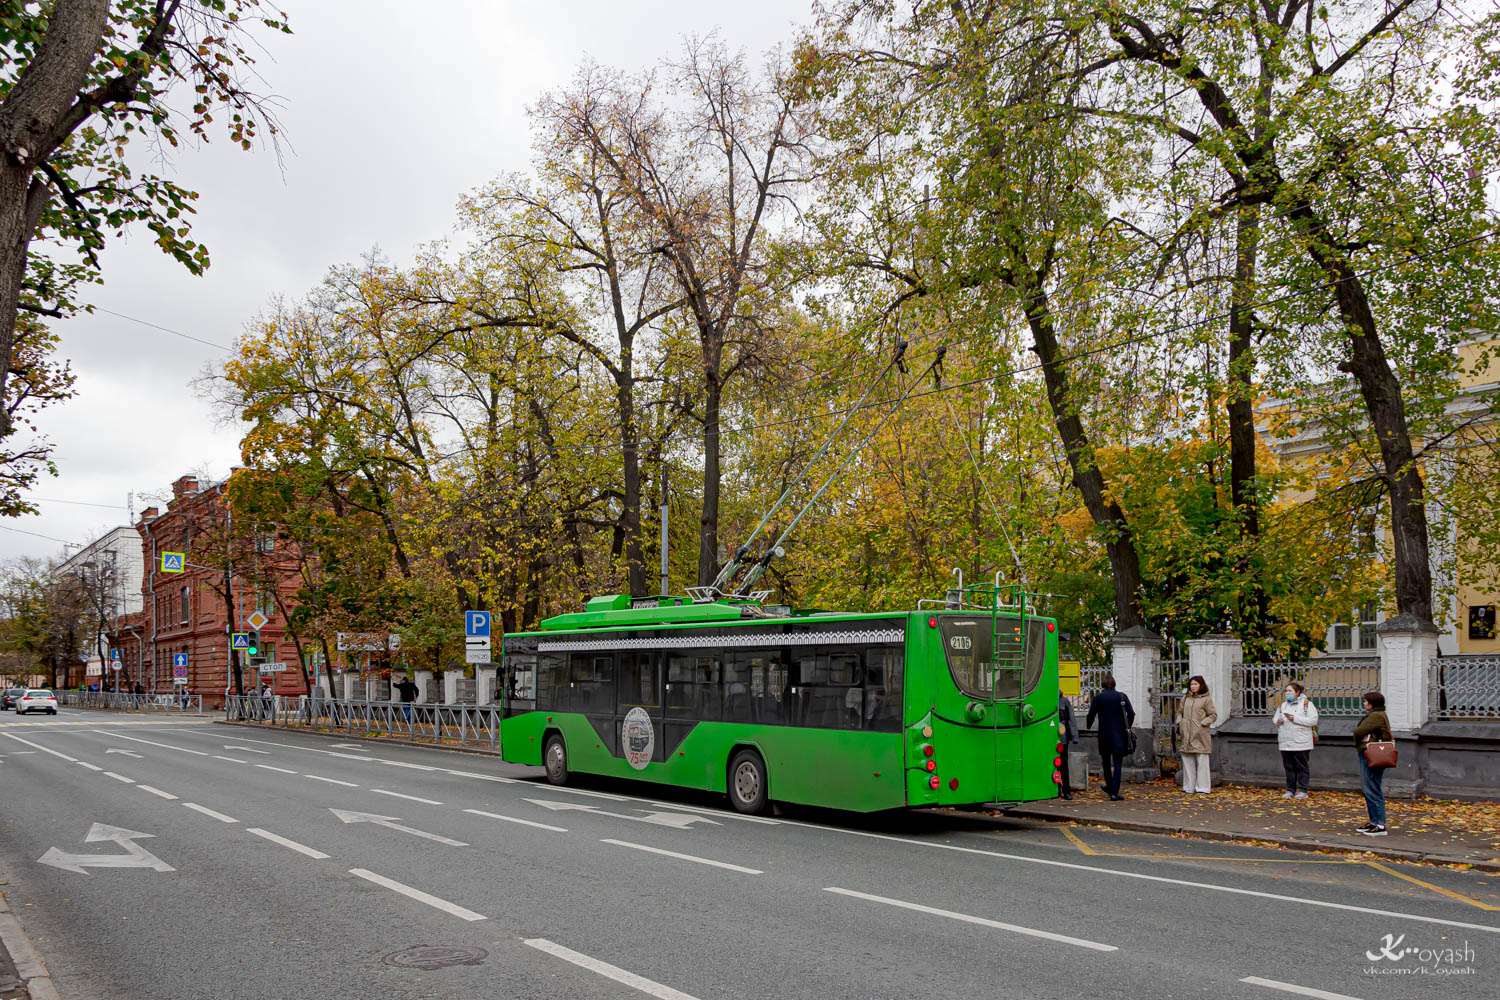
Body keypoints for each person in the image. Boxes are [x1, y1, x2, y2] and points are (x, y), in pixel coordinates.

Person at [1085, 674, 1135, 800]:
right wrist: (1127, 726)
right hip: (1119, 735)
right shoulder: (1122, 696)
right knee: (1118, 763)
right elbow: (1131, 714)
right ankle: (1114, 792)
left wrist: (1088, 725)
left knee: (1106, 763)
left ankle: (1109, 786)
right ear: (1114, 684)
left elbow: (1091, 714)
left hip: (1104, 735)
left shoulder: (1098, 698)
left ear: (1102, 685)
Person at [1353, 691, 1392, 836]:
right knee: (1370, 788)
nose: (1364, 704)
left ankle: (1380, 824)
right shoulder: (1378, 714)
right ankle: (1374, 821)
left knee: (1372, 789)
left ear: (1372, 703)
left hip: (1372, 755)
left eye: (1366, 701)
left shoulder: (1376, 716)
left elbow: (1359, 731)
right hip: (1372, 754)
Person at [1272, 681, 1318, 799]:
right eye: (1286, 691)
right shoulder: (1283, 705)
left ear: (1297, 692)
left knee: (1301, 767)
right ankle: (1290, 790)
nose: (1287, 693)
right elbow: (1275, 718)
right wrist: (1278, 721)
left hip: (1301, 742)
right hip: (1285, 741)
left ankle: (1303, 790)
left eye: (1290, 691)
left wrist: (1294, 718)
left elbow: (1313, 720)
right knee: (1289, 767)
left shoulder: (1307, 704)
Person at [1176, 675, 1218, 794]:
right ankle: (1188, 787)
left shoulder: (1206, 699)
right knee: (1187, 760)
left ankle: (1203, 788)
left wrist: (1202, 723)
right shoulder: (1185, 698)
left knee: (1202, 760)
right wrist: (1180, 722)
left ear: (1201, 685)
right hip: (1186, 733)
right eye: (1191, 684)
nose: (1193, 686)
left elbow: (1213, 715)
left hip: (1200, 734)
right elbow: (1180, 712)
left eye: (1195, 684)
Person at [1058, 691, 1079, 799]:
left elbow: (1071, 718)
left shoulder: (1064, 701)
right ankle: (1056, 788)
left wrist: (1074, 736)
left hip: (1062, 737)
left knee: (1063, 764)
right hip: (1047, 738)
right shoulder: (1045, 698)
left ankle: (1066, 789)